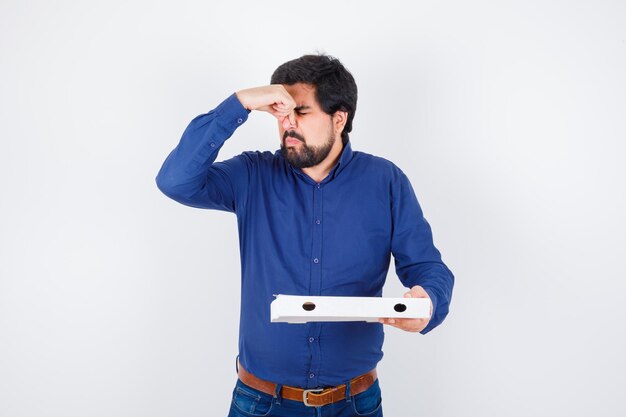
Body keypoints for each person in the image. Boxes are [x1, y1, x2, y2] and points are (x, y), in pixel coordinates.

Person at [155, 53, 454, 417]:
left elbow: (427, 266)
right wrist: (241, 103)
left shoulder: (386, 181)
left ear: (339, 118)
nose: (287, 125)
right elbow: (175, 180)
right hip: (260, 403)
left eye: (301, 112)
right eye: (280, 113)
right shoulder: (252, 174)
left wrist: (428, 303)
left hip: (355, 404)